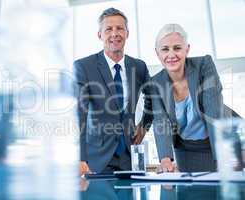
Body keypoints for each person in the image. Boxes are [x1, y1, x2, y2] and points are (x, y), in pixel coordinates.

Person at [150, 23, 239, 172]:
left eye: (177, 48)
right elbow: (161, 120)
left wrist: (221, 158)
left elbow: (213, 111)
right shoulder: (155, 82)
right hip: (187, 150)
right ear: (158, 53)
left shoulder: (203, 65)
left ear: (187, 49)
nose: (171, 55)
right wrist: (165, 159)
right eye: (165, 49)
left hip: (223, 141)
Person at [74, 7, 152, 176]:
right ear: (100, 35)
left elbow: (153, 98)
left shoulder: (139, 66)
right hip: (97, 158)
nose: (114, 33)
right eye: (108, 29)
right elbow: (79, 113)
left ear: (127, 33)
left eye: (119, 28)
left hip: (129, 156)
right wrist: (80, 158)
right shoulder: (84, 66)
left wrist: (144, 125)